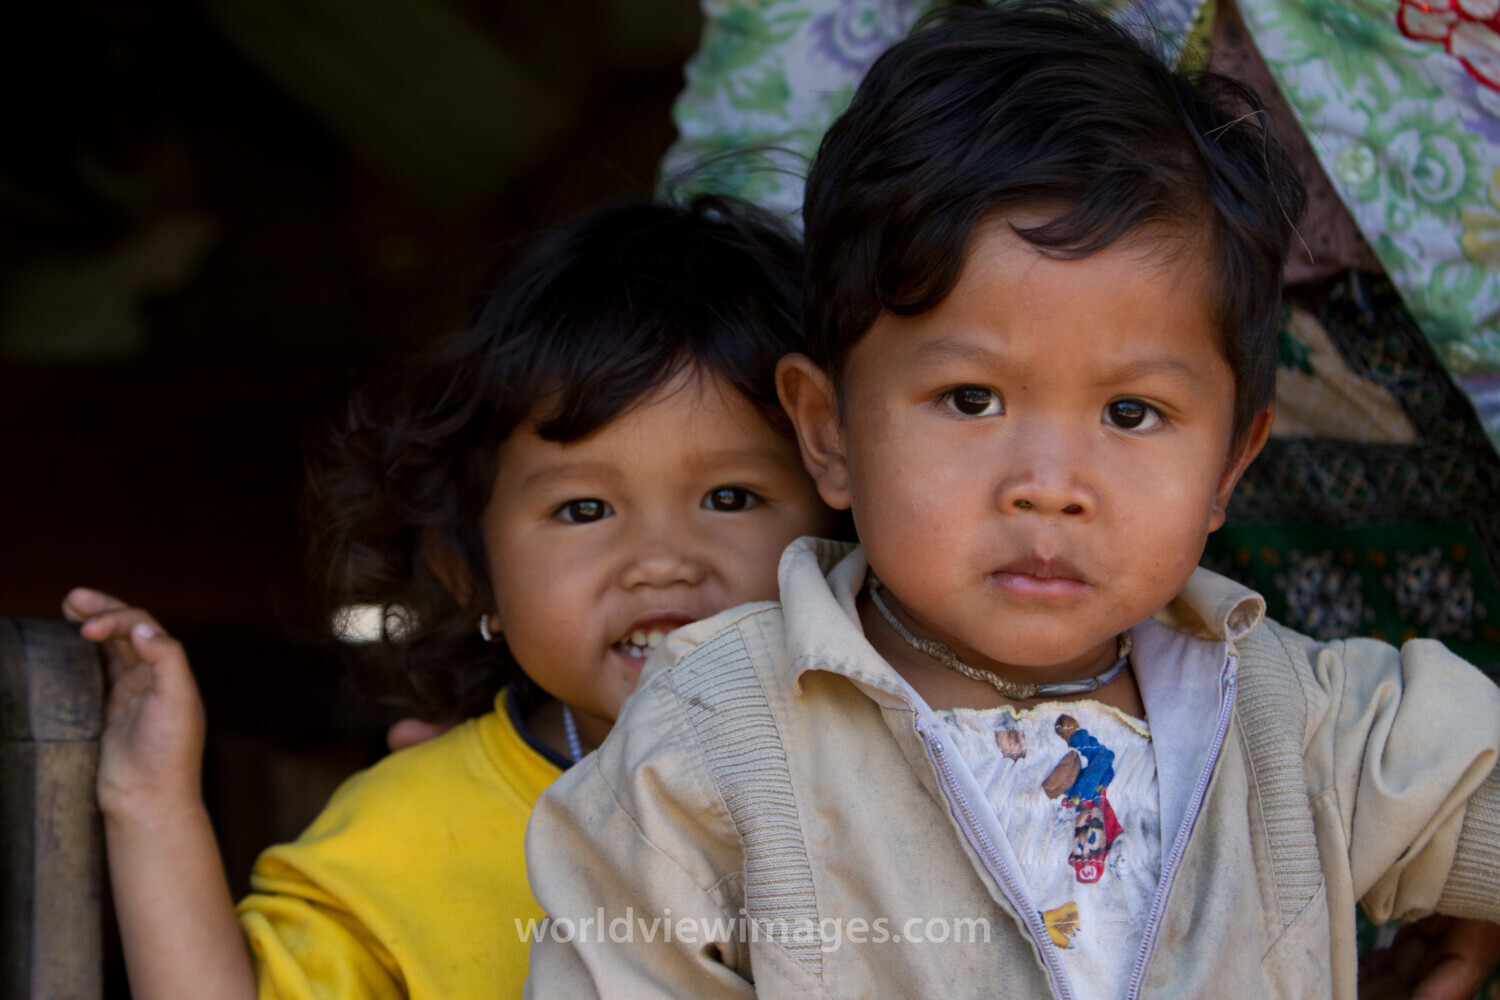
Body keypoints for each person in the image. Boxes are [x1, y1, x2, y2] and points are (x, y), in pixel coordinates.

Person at [523, 6, 1500, 998]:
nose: (1049, 484)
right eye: (971, 399)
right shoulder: (704, 753)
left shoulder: (1309, 728)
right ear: (829, 431)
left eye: (1131, 410)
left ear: (1228, 468)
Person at [64, 195, 836, 1000]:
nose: (661, 562)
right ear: (471, 572)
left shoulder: (933, 764)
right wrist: (149, 809)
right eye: (583, 510)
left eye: (730, 497)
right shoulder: (410, 834)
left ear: (845, 512)